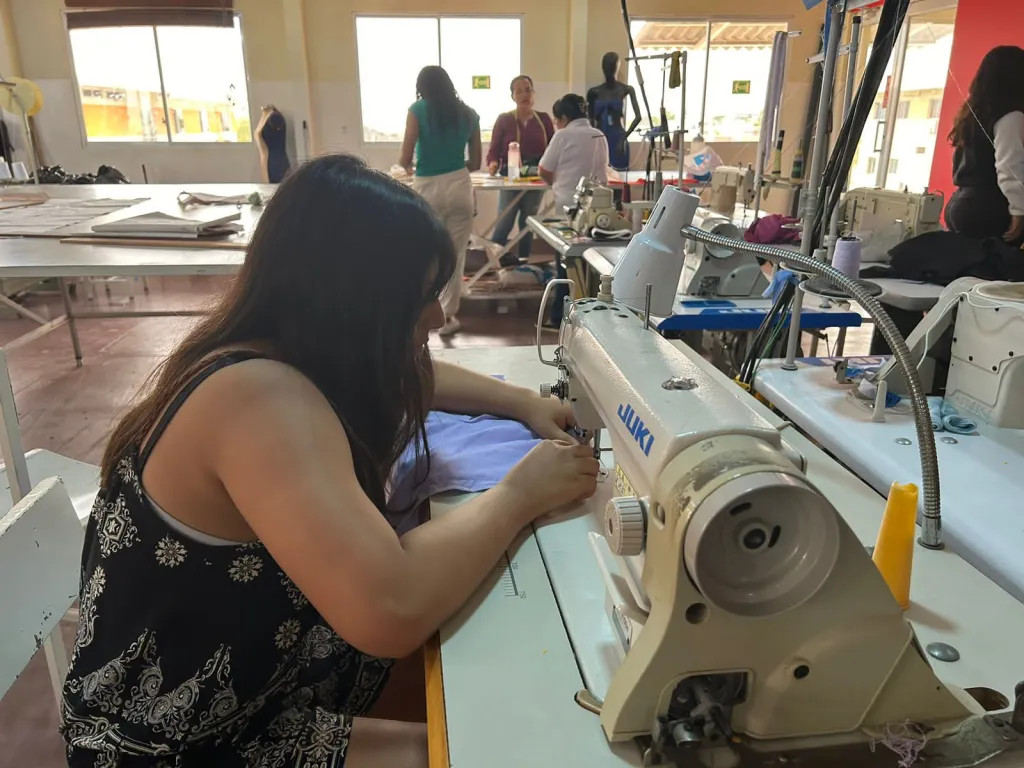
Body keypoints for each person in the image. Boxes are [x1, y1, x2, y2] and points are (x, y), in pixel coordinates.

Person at [59, 155, 600, 768]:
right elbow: (389, 606)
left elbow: (414, 376)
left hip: (244, 695)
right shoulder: (258, 399)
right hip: (174, 745)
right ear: (353, 300)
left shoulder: (280, 353)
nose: (439, 317)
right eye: (420, 299)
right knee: (488, 746)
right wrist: (520, 493)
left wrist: (525, 403)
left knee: (478, 703)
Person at [399, 65, 482, 337]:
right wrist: (454, 166)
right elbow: (477, 162)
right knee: (455, 256)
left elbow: (405, 155)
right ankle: (448, 317)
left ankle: (419, 314)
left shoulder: (418, 109)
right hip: (459, 186)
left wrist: (411, 167)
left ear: (422, 86)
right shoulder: (469, 114)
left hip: (427, 188)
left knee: (425, 254)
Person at [539, 94, 610, 329]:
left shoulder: (563, 135)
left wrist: (559, 182)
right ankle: (591, 316)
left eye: (557, 119)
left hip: (569, 208)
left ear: (564, 117)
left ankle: (559, 316)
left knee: (565, 262)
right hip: (599, 208)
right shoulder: (599, 135)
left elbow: (544, 169)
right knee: (591, 264)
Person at [945, 45, 1024, 246]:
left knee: (969, 270)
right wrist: (1019, 209)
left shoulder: (971, 114)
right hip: (990, 209)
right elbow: (1010, 167)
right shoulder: (1011, 117)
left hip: (959, 203)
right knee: (996, 271)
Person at [486, 75, 555, 265]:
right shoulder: (505, 119)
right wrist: (492, 164)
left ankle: (524, 263)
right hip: (511, 177)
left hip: (535, 178)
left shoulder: (544, 119)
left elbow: (553, 149)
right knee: (505, 220)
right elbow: (493, 150)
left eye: (528, 89)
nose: (524, 94)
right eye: (519, 91)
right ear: (512, 96)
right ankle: (494, 261)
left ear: (533, 93)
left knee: (528, 222)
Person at [587, 52, 641, 172]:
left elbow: (638, 117)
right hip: (599, 139)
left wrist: (623, 138)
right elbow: (589, 121)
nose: (609, 70)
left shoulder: (626, 89)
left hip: (618, 139)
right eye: (606, 67)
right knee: (598, 177)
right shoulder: (594, 92)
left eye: (612, 66)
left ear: (617, 67)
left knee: (619, 179)